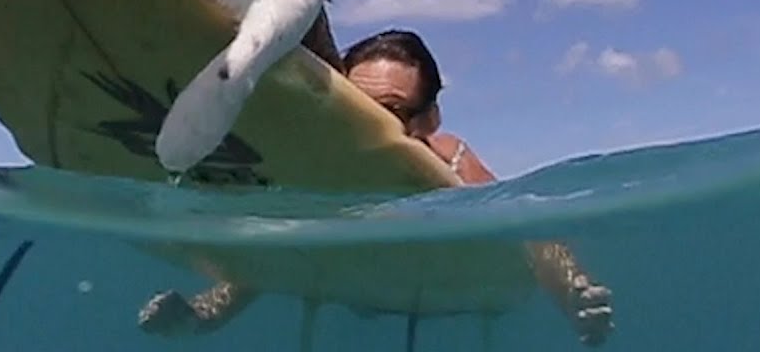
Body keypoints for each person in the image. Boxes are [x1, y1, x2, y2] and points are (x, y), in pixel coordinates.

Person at [137, 29, 615, 346]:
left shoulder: (447, 157)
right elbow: (278, 258)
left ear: (430, 116)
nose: (363, 128)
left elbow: (527, 228)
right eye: (353, 110)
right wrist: (201, 314)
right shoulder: (316, 169)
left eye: (387, 112)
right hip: (356, 302)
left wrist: (575, 293)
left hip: (438, 310)